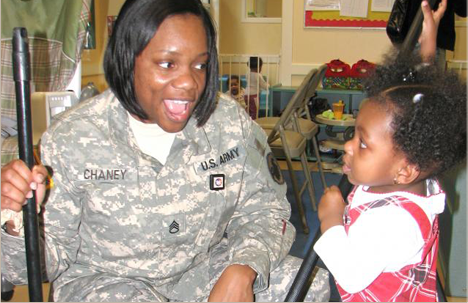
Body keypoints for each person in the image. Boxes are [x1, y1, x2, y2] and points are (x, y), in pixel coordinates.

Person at [1, 0, 330, 301]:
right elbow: (35, 266)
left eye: (199, 66)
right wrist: (14, 219)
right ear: (128, 58)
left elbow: (267, 213)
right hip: (106, 284)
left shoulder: (229, 123)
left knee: (308, 285)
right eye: (167, 64)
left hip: (201, 273)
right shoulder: (73, 138)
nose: (188, 83)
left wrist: (244, 268)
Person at [314, 1, 466, 301]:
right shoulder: (410, 171)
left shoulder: (395, 222)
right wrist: (428, 46)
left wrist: (330, 220)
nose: (348, 145)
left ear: (405, 170)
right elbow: (422, 107)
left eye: (363, 143)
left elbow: (350, 273)